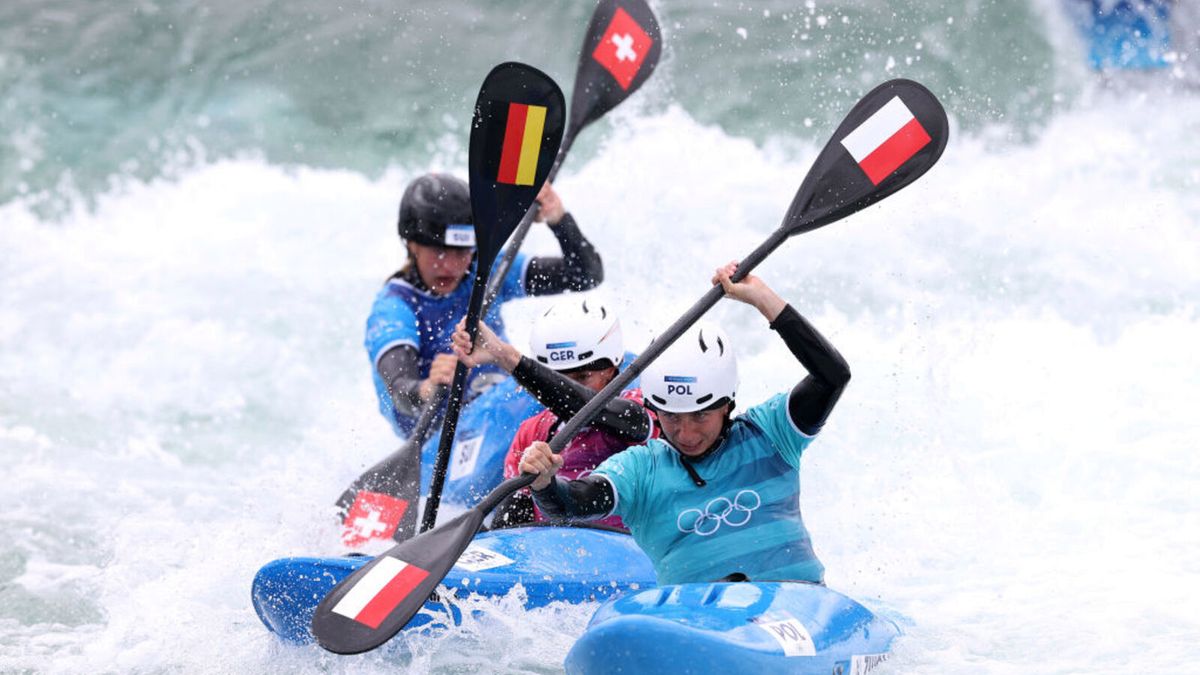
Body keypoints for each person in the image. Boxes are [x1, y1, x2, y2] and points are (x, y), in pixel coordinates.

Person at [517, 263, 851, 585]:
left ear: (727, 404)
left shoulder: (772, 433)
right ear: (653, 408)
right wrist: (546, 483)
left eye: (701, 415)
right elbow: (572, 504)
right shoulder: (640, 469)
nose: (686, 433)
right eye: (672, 416)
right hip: (695, 623)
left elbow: (832, 376)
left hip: (795, 606)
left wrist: (763, 299)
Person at [365, 173, 604, 437]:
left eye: (461, 252)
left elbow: (585, 275)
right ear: (412, 245)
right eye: (438, 251)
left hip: (501, 408)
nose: (450, 266)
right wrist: (427, 388)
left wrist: (558, 220)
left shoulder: (487, 270)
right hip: (440, 440)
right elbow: (398, 391)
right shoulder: (395, 307)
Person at [450, 297, 655, 529]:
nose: (564, 387)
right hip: (553, 559)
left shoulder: (640, 410)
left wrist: (505, 356)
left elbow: (583, 405)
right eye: (557, 377)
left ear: (610, 372)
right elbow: (509, 526)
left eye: (581, 377)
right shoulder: (531, 432)